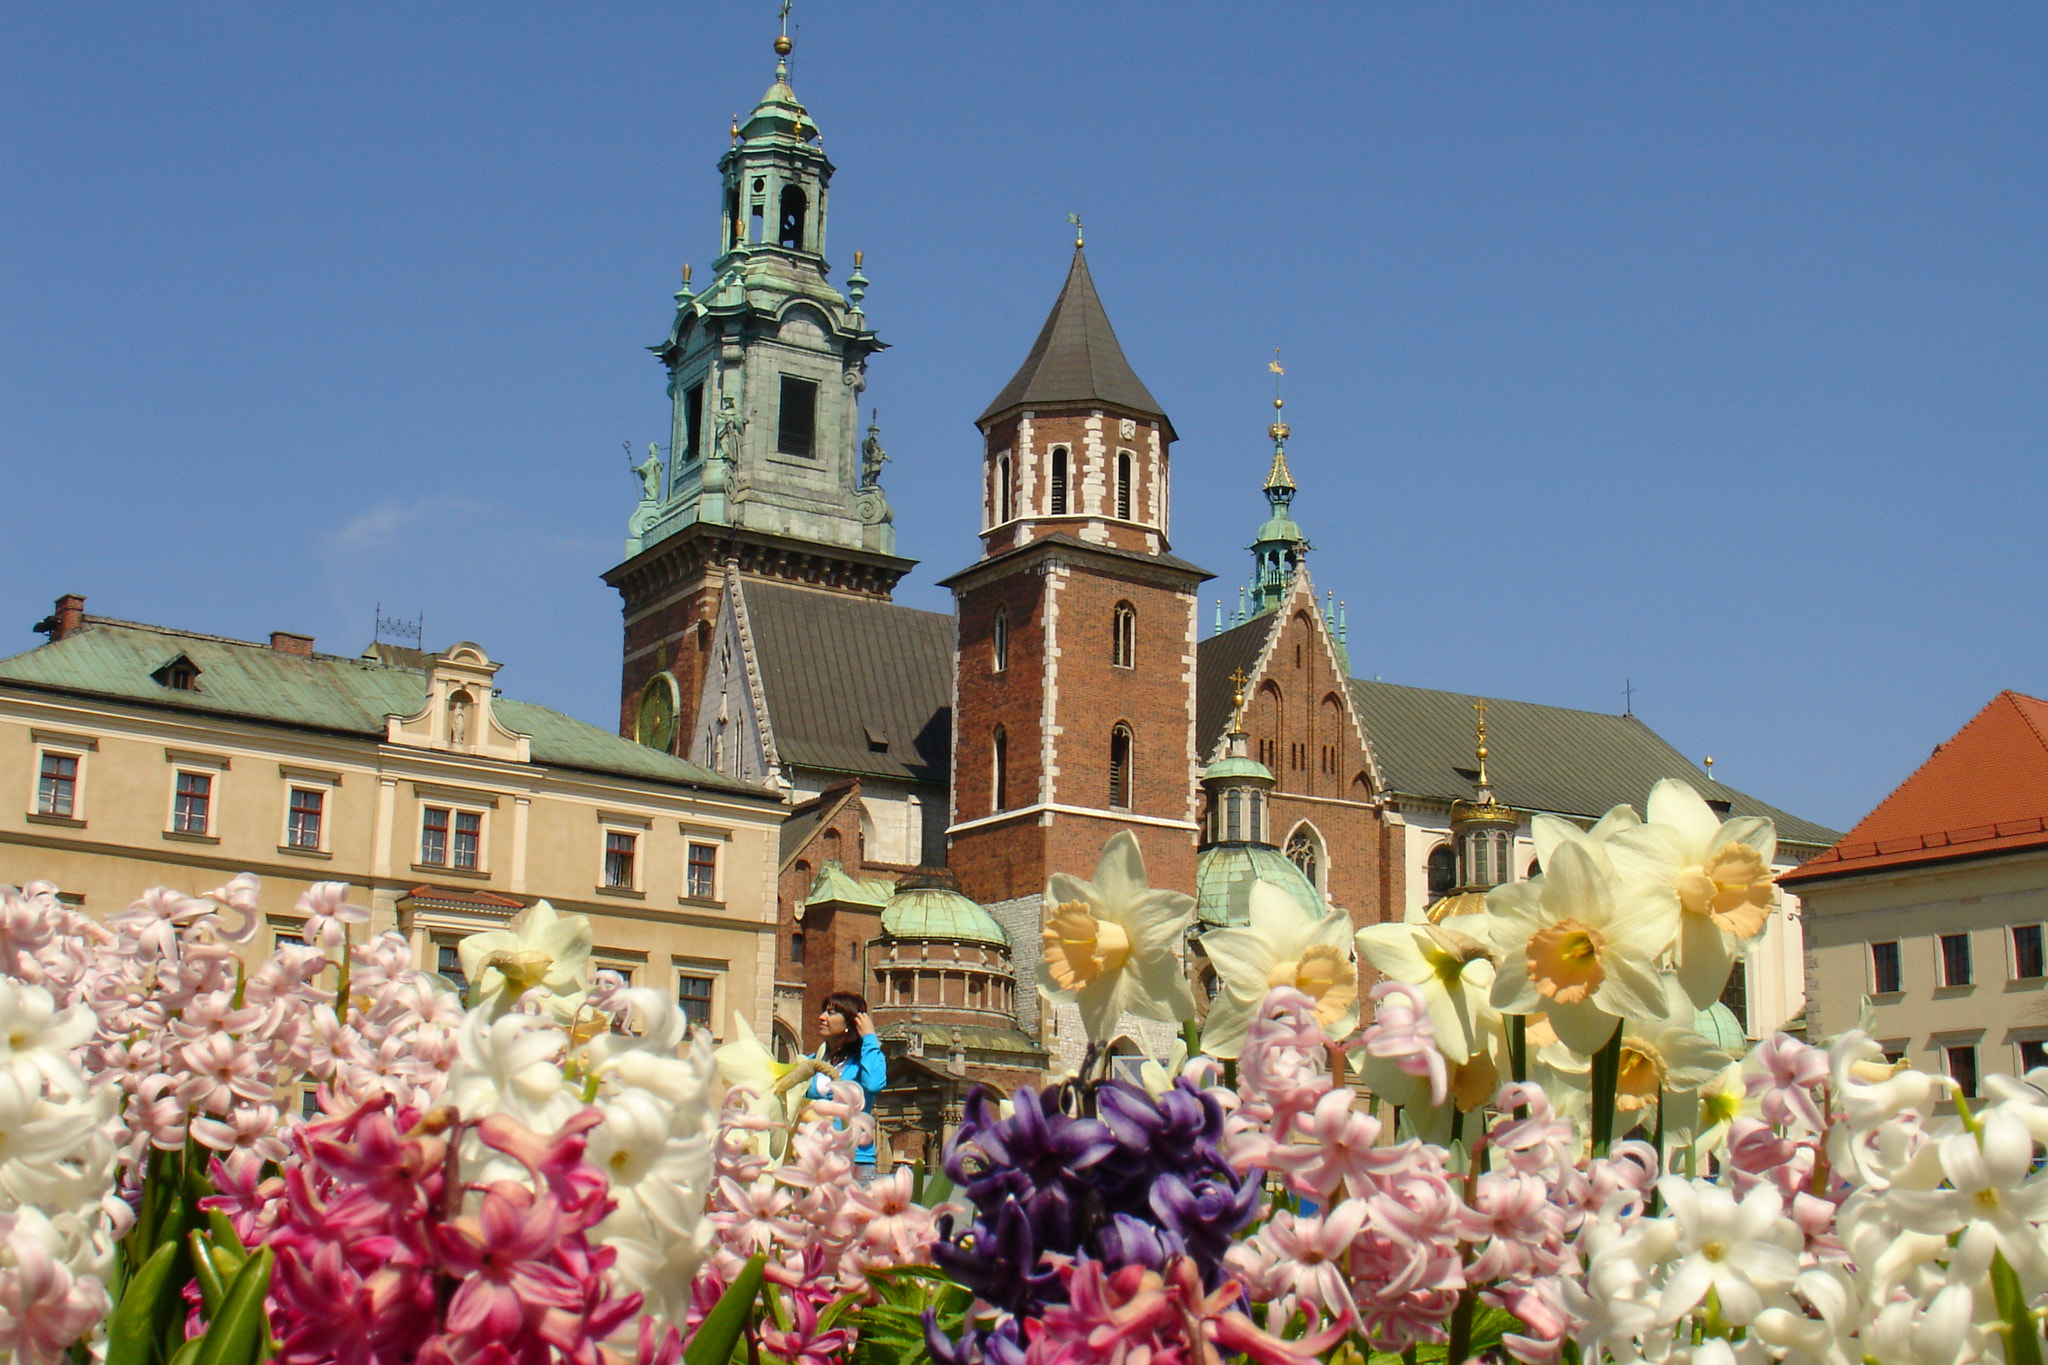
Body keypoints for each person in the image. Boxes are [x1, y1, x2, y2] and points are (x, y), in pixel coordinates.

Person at [810, 991, 885, 1184]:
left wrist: (869, 1037)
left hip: (855, 1161)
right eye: (823, 1012)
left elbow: (874, 1083)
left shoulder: (863, 1060)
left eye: (832, 1013)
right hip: (817, 1158)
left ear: (851, 1023)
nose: (822, 1017)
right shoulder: (814, 1061)